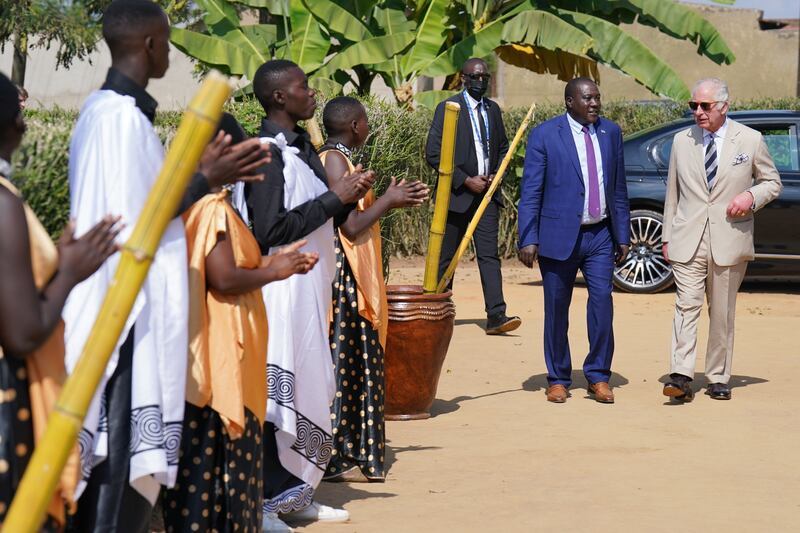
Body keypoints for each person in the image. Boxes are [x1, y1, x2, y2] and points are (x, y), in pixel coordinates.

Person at [62, 2, 269, 531]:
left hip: (134, 312)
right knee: (114, 484)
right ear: (152, 44)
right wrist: (203, 177)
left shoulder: (117, 115)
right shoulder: (116, 119)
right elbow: (133, 225)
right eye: (169, 41)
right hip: (121, 320)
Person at [162, 114, 319, 532]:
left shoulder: (197, 204)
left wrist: (276, 262)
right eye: (242, 151)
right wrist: (276, 271)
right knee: (215, 476)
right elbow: (225, 277)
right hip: (221, 359)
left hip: (219, 354)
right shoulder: (210, 207)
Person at [242, 60, 374, 531]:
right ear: (279, 97)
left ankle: (295, 494)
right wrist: (335, 196)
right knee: (273, 404)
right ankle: (261, 503)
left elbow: (337, 220)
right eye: (302, 86)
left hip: (310, 294)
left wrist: (374, 199)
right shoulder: (266, 152)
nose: (312, 91)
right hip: (279, 292)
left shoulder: (303, 150)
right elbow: (270, 228)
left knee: (307, 392)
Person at [0, 71, 120, 531]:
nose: (25, 126)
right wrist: (69, 271)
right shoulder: (4, 202)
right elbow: (23, 331)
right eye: (18, 114)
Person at [319, 97, 428, 483]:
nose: (367, 128)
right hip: (344, 278)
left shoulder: (343, 158)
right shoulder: (333, 159)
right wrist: (388, 199)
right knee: (344, 360)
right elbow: (347, 226)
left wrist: (392, 201)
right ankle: (331, 453)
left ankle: (349, 450)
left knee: (356, 361)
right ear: (354, 126)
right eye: (365, 122)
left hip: (356, 272)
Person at [661, 78, 782, 402]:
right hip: (688, 237)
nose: (698, 112)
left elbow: (772, 182)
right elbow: (672, 192)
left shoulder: (751, 140)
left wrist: (749, 197)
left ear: (724, 107)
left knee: (722, 312)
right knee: (686, 305)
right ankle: (681, 374)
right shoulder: (681, 141)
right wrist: (667, 236)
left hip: (730, 237)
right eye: (693, 106)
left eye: (705, 106)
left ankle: (717, 377)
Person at [518, 77, 630, 404]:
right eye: (588, 98)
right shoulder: (545, 135)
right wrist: (528, 237)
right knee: (556, 309)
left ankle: (598, 375)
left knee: (602, 305)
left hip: (599, 235)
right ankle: (558, 378)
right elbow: (531, 192)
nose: (595, 103)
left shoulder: (611, 133)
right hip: (557, 237)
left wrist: (622, 235)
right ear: (570, 102)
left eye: (597, 97)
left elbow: (618, 189)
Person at [425, 57, 520, 335]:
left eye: (485, 78)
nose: (481, 82)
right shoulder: (449, 108)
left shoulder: (492, 110)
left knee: (489, 256)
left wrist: (495, 176)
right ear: (464, 78)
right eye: (476, 77)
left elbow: (502, 147)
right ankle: (437, 313)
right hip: (456, 196)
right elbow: (433, 153)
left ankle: (496, 316)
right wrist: (465, 180)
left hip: (487, 196)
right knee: (447, 257)